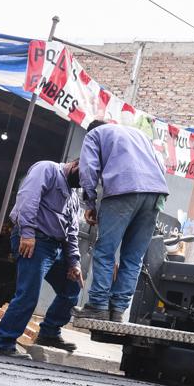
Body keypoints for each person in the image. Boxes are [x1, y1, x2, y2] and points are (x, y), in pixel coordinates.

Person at [76, 120, 169, 321]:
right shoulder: (141, 136)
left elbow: (88, 169)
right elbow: (160, 165)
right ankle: (118, 310)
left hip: (123, 190)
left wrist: (90, 203)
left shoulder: (94, 135)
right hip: (155, 194)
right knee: (133, 258)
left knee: (105, 250)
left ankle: (98, 305)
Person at [0, 159, 83, 356]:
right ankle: (4, 343)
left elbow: (73, 231)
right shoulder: (47, 169)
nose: (84, 183)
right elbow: (28, 198)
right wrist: (27, 233)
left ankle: (49, 332)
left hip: (56, 246)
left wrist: (74, 262)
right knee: (29, 293)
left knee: (72, 287)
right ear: (76, 164)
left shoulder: (74, 195)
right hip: (35, 240)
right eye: (84, 177)